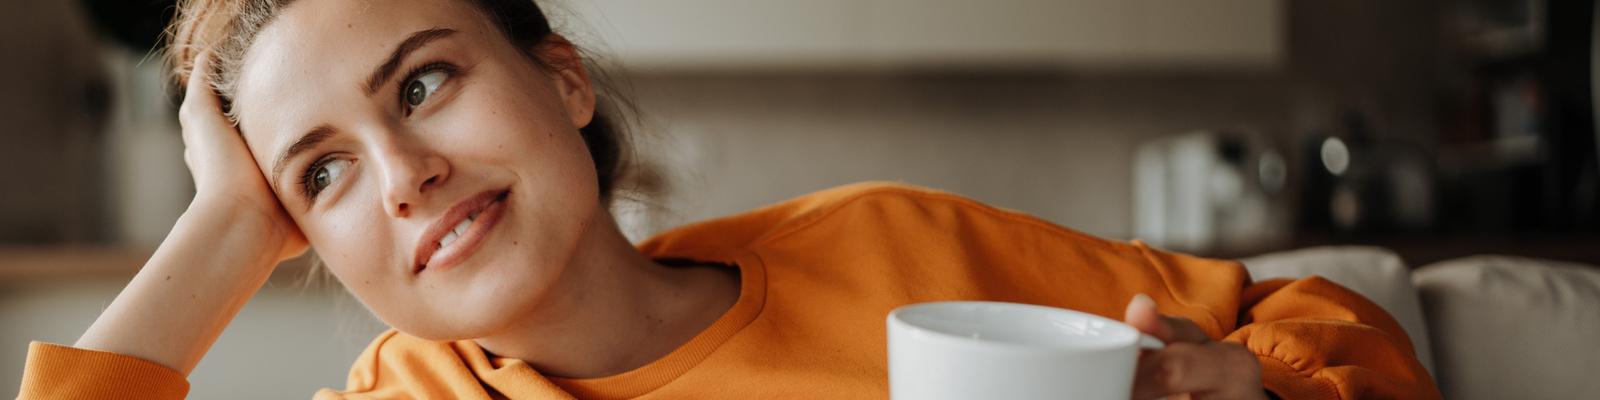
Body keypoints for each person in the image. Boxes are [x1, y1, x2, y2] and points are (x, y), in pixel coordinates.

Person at [17, 0, 1440, 398]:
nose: (404, 176)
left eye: (426, 83)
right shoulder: (414, 398)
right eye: (318, 172)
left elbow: (1332, 318)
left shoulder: (895, 248)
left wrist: (1252, 391)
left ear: (561, 81)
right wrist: (216, 225)